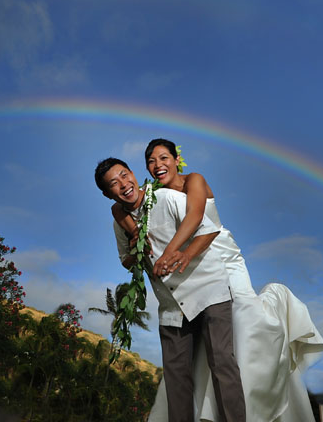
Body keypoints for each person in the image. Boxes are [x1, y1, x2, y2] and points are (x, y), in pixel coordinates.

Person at [116, 139, 323, 422]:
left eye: (164, 158)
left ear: (177, 159)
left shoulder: (195, 179)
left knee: (246, 320)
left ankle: (259, 392)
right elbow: (119, 208)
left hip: (220, 255)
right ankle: (212, 410)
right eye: (151, 161)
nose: (158, 165)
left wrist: (172, 252)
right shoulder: (153, 194)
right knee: (208, 343)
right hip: (189, 266)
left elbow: (196, 216)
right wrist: (135, 231)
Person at [95, 157, 247, 422]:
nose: (123, 184)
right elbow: (126, 262)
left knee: (222, 365)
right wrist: (134, 251)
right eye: (113, 184)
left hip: (208, 290)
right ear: (108, 194)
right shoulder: (119, 222)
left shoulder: (165, 198)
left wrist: (184, 255)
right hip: (170, 305)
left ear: (132, 173)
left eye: (124, 175)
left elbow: (208, 230)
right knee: (176, 379)